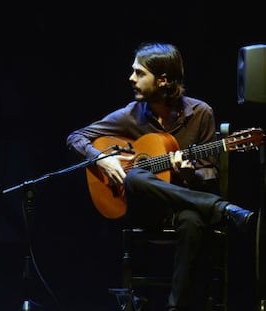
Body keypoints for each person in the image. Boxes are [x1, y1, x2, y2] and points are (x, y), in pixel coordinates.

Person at [66, 42, 255, 311]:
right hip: (148, 210)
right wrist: (101, 158)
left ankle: (176, 307)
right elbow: (76, 137)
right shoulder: (130, 115)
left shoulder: (200, 113)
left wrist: (190, 174)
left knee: (192, 221)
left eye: (139, 73)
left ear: (163, 80)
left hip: (185, 208)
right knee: (135, 178)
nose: (131, 79)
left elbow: (210, 171)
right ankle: (222, 209)